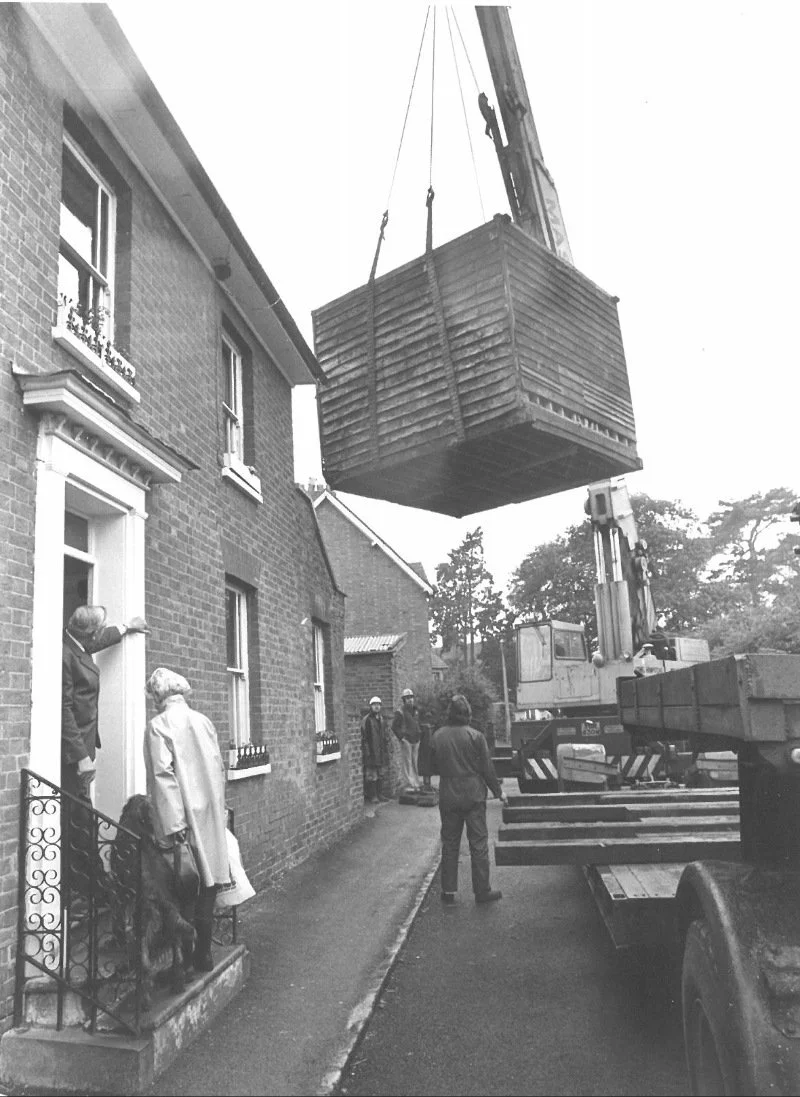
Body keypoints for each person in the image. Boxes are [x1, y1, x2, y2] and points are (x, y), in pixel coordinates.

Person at [144, 668, 229, 972]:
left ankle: (186, 960)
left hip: (182, 818)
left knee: (182, 888)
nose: (153, 701)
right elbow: (219, 767)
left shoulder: (158, 725)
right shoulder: (203, 721)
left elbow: (162, 777)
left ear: (158, 695)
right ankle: (203, 954)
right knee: (208, 885)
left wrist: (174, 826)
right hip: (211, 813)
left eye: (152, 696)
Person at [61, 604, 149, 899]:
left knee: (80, 818)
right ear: (89, 632)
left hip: (84, 747)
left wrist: (126, 627)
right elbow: (64, 709)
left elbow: (96, 643)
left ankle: (91, 886)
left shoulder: (76, 643)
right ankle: (99, 890)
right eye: (99, 630)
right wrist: (81, 756)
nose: (98, 636)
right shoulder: (64, 655)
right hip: (73, 755)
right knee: (81, 820)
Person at [430, 694, 507, 904]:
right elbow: (487, 769)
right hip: (473, 795)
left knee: (450, 843)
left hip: (448, 794)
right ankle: (482, 891)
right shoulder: (476, 736)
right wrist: (499, 792)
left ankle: (448, 891)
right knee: (478, 844)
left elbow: (429, 766)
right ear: (468, 714)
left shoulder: (437, 736)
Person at [360, 696, 392, 803]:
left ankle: (380, 794)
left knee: (380, 774)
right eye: (374, 705)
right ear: (371, 706)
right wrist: (367, 751)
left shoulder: (382, 719)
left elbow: (385, 735)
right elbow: (364, 737)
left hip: (380, 751)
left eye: (378, 704)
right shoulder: (367, 720)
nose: (377, 706)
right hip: (371, 751)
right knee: (371, 775)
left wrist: (387, 747)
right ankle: (372, 795)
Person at [392, 687, 422, 792]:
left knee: (415, 762)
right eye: (407, 698)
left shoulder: (416, 710)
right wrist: (402, 738)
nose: (410, 700)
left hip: (416, 740)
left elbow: (418, 723)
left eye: (411, 697)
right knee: (407, 762)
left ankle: (416, 783)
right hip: (407, 740)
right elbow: (394, 727)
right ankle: (409, 784)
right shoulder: (400, 712)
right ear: (404, 700)